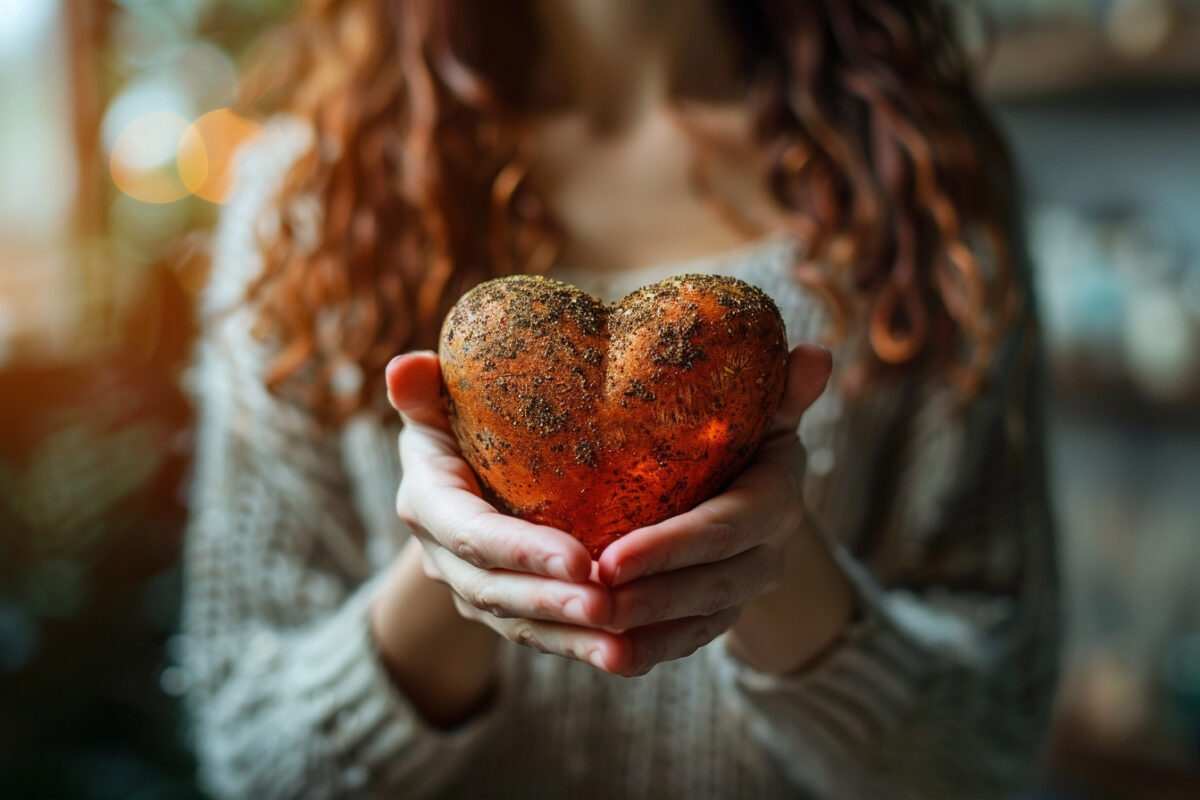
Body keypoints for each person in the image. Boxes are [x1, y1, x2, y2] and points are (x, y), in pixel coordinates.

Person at [181, 1, 1059, 797]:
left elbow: (984, 752)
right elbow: (260, 760)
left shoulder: (920, 183)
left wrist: (773, 558)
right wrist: (453, 564)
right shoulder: (310, 201)